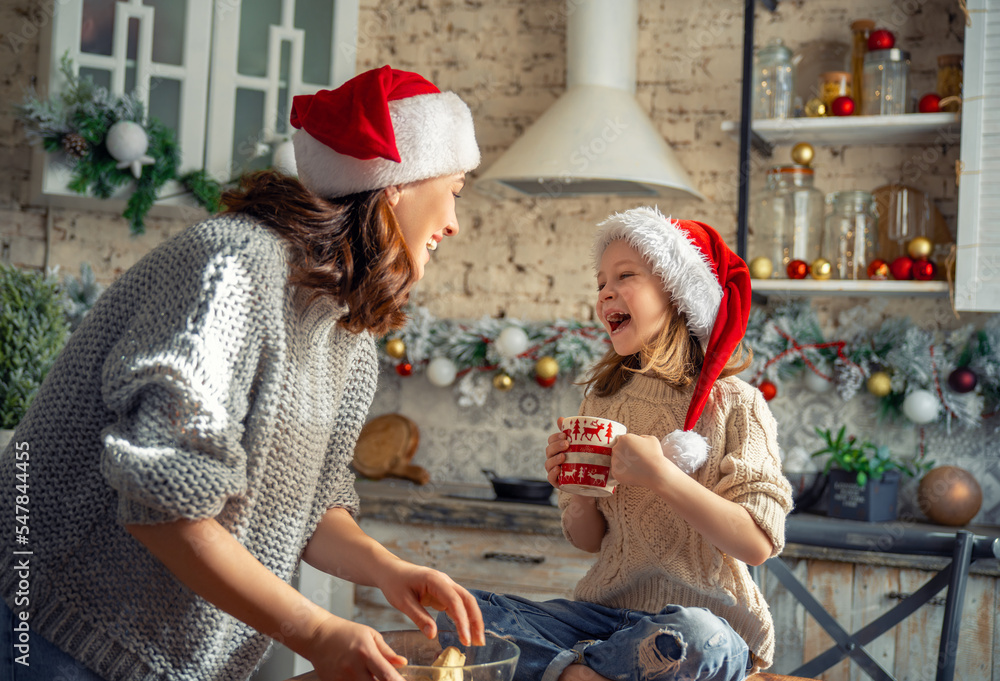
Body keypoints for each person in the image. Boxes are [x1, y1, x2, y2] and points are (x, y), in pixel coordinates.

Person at [0, 65, 485, 681]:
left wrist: (388, 569)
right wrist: (316, 631)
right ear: (395, 185)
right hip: (56, 633)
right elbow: (164, 505)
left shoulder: (346, 332)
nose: (454, 222)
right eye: (455, 190)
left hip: (164, 662)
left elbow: (313, 508)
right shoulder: (234, 266)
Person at [453, 207, 793, 681]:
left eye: (625, 275)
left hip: (705, 624)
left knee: (698, 638)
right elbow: (588, 541)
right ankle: (589, 672)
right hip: (603, 619)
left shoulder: (738, 404)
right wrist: (577, 496)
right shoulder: (602, 400)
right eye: (600, 283)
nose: (605, 292)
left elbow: (756, 544)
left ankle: (568, 671)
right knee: (466, 613)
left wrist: (661, 476)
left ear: (679, 293)